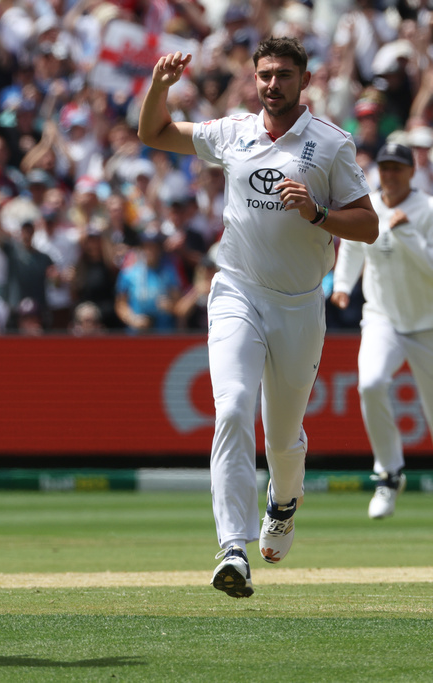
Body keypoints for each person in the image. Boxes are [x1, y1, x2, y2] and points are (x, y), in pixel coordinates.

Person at [138, 36, 378, 598]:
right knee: (232, 410)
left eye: (284, 75)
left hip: (299, 304)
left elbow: (367, 225)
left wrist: (318, 213)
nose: (273, 84)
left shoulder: (331, 145)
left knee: (284, 438)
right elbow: (154, 133)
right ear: (255, 78)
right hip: (237, 291)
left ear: (305, 80)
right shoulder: (234, 131)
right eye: (265, 74)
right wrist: (159, 87)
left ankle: (284, 503)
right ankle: (232, 549)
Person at [331, 141, 433, 519]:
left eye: (397, 168)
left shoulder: (427, 210)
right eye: (385, 168)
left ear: (410, 172)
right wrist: (342, 285)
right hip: (382, 318)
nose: (390, 174)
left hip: (428, 324)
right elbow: (354, 246)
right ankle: (388, 476)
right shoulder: (369, 204)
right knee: (371, 383)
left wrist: (407, 235)